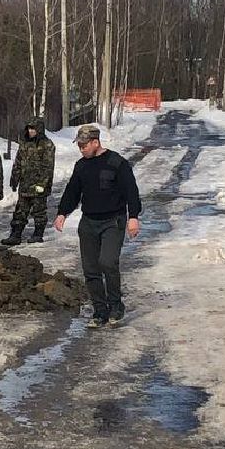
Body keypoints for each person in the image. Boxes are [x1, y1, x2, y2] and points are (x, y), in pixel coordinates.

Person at [53, 123, 142, 327]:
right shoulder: (81, 166)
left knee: (108, 262)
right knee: (91, 269)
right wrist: (62, 213)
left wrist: (133, 217)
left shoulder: (116, 163)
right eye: (79, 146)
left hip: (113, 221)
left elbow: (131, 191)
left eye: (84, 145)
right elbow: (72, 191)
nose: (81, 149)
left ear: (95, 142)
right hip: (89, 222)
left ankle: (116, 306)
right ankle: (100, 311)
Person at [1, 117, 56, 245]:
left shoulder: (47, 145)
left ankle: (38, 234)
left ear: (39, 129)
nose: (31, 131)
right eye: (29, 128)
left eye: (33, 128)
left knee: (39, 211)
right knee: (20, 211)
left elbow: (48, 167)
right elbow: (18, 162)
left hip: (39, 185)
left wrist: (42, 184)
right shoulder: (24, 144)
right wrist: (14, 178)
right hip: (25, 184)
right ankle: (15, 234)